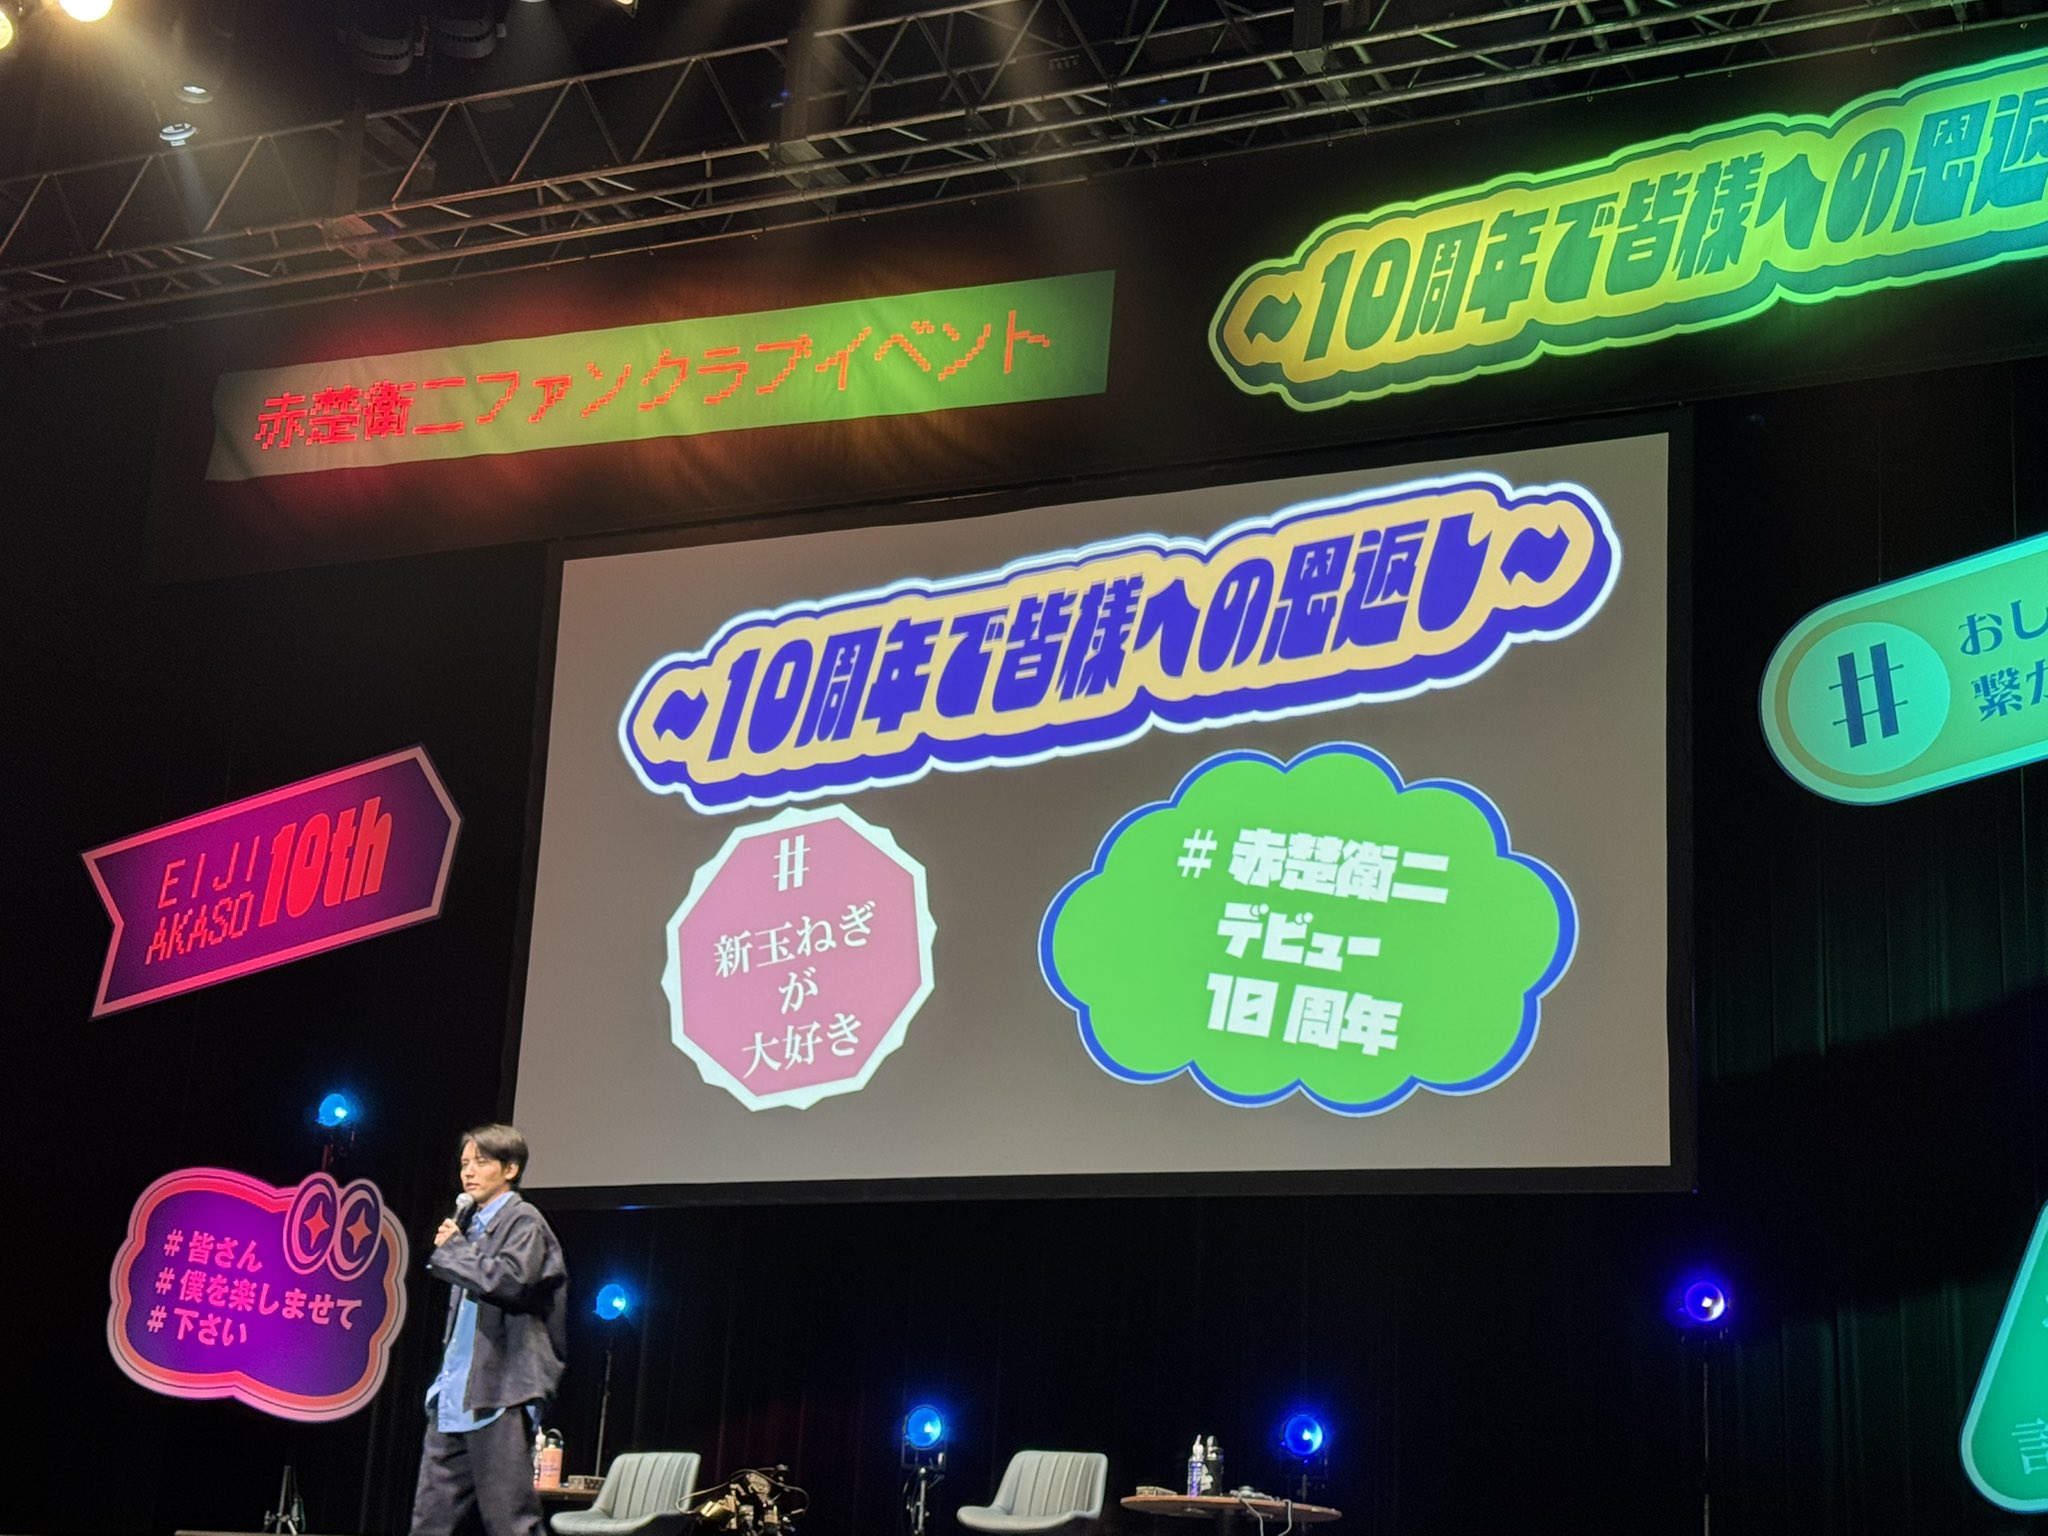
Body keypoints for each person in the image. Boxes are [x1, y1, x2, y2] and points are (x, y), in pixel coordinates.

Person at [409, 1124, 569, 1536]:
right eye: (464, 1163)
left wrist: (456, 1250)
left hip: (499, 1391)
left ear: (510, 1169)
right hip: (455, 1393)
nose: (469, 1172)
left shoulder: (524, 1220)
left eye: (481, 1162)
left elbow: (514, 1281)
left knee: (510, 1520)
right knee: (430, 1521)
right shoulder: (471, 1225)